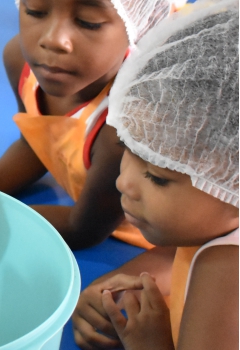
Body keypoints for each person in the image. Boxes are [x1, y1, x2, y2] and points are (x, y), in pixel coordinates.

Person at [0, 0, 176, 250]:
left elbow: (83, 228)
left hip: (146, 244)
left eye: (89, 22)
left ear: (141, 26)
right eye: (35, 10)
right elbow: (36, 147)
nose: (54, 39)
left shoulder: (124, 125)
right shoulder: (18, 60)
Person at [71, 1, 238, 348]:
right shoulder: (214, 226)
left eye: (158, 177)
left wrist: (152, 343)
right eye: (128, 151)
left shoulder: (225, 271)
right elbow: (181, 250)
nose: (123, 183)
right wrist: (120, 281)